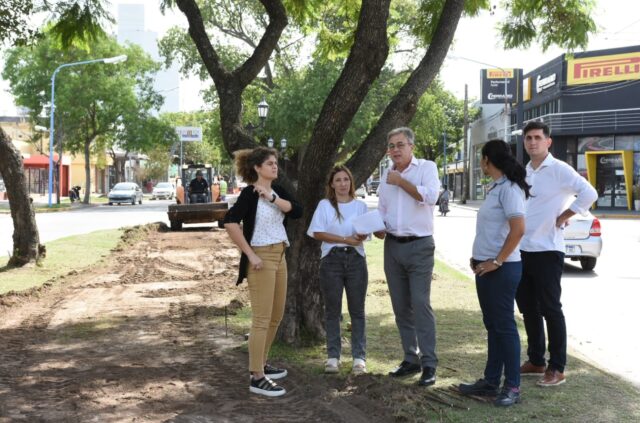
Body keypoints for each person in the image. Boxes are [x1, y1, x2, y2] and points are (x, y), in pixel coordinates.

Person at [516, 121, 597, 387]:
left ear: (548, 141)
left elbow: (589, 192)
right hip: (522, 249)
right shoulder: (525, 170)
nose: (532, 142)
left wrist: (566, 214)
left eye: (538, 138)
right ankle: (536, 360)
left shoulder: (560, 169)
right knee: (528, 308)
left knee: (551, 308)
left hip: (548, 250)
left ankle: (557, 367)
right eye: (528, 138)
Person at [223, 147, 303, 397]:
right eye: (269, 163)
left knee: (276, 316)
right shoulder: (249, 193)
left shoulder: (275, 191)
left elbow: (297, 210)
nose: (275, 167)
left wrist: (271, 198)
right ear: (257, 168)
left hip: (280, 255)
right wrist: (250, 255)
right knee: (261, 318)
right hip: (261, 258)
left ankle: (262, 363)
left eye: (275, 163)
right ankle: (256, 376)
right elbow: (229, 222)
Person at [458, 139, 529, 407]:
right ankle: (490, 381)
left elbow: (518, 230)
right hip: (485, 267)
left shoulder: (509, 189)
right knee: (493, 326)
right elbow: (492, 230)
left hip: (503, 268)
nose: (480, 163)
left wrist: (497, 261)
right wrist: (478, 258)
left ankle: (512, 386)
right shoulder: (496, 187)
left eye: (481, 158)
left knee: (505, 327)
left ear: (488, 160)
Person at [375, 127, 440, 387]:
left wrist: (401, 181)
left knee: (420, 304)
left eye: (400, 144)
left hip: (420, 246)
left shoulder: (426, 167)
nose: (395, 150)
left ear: (411, 146)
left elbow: (431, 197)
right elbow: (382, 208)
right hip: (392, 246)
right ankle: (410, 358)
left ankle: (429, 364)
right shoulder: (385, 175)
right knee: (400, 306)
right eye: (391, 146)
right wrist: (378, 227)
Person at [307, 165, 369, 375]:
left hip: (356, 260)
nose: (343, 184)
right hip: (331, 261)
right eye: (338, 180)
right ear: (331, 184)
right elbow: (317, 232)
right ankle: (333, 357)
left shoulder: (360, 206)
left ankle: (359, 358)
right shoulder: (325, 206)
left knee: (357, 311)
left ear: (351, 182)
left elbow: (366, 232)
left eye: (346, 179)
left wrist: (359, 237)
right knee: (332, 311)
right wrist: (344, 239)